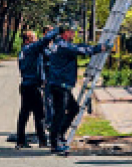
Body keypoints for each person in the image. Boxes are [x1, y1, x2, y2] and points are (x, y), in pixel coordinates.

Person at [46, 24, 109, 154]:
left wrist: (90, 47)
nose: (73, 35)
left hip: (60, 84)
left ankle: (60, 135)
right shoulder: (63, 46)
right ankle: (54, 143)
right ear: (65, 33)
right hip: (60, 84)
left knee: (73, 109)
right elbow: (81, 51)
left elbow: (79, 47)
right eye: (71, 32)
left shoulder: (59, 44)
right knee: (59, 113)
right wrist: (99, 48)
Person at [15, 27, 59, 149]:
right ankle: (42, 141)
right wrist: (57, 31)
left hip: (26, 85)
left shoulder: (24, 51)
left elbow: (48, 54)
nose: (37, 39)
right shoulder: (31, 49)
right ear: (28, 40)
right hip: (33, 85)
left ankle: (20, 140)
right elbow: (43, 42)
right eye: (34, 38)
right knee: (39, 114)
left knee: (24, 114)